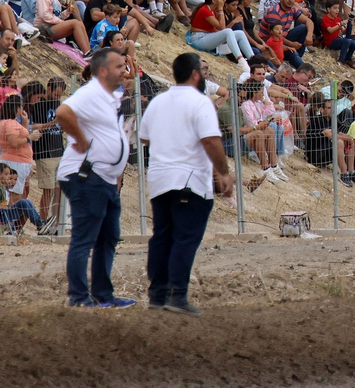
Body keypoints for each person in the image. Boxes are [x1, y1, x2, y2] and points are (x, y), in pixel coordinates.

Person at [140, 53, 234, 316]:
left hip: (159, 178)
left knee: (162, 236)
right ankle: (178, 294)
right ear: (195, 74)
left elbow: (145, 137)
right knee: (185, 237)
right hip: (189, 179)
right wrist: (224, 172)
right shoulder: (200, 102)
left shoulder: (159, 101)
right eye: (202, 71)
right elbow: (211, 141)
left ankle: (157, 294)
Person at [57, 48, 134, 308]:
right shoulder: (90, 93)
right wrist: (79, 139)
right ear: (102, 71)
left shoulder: (108, 98)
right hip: (86, 176)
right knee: (85, 238)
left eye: (125, 66)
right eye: (119, 67)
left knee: (108, 236)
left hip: (104, 179)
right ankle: (78, 298)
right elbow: (63, 113)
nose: (124, 71)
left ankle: (103, 294)